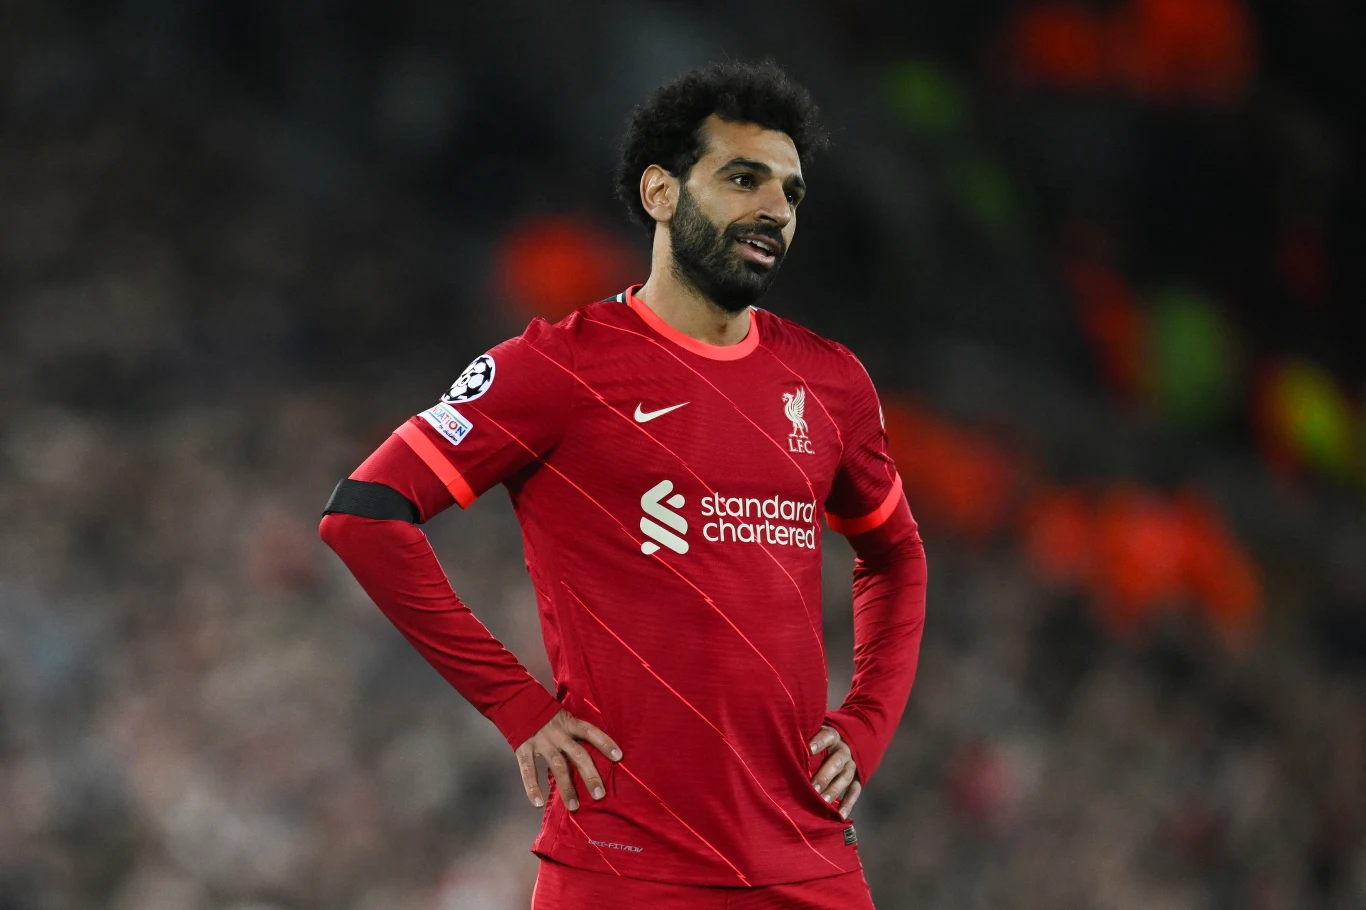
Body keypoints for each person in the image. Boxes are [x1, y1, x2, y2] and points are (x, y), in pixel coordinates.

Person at [320, 61, 928, 909]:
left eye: (790, 192)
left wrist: (866, 724)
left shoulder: (831, 384)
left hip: (807, 861)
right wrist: (517, 706)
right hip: (622, 869)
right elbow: (364, 516)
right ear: (660, 192)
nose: (774, 210)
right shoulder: (560, 366)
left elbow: (894, 555)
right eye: (742, 178)